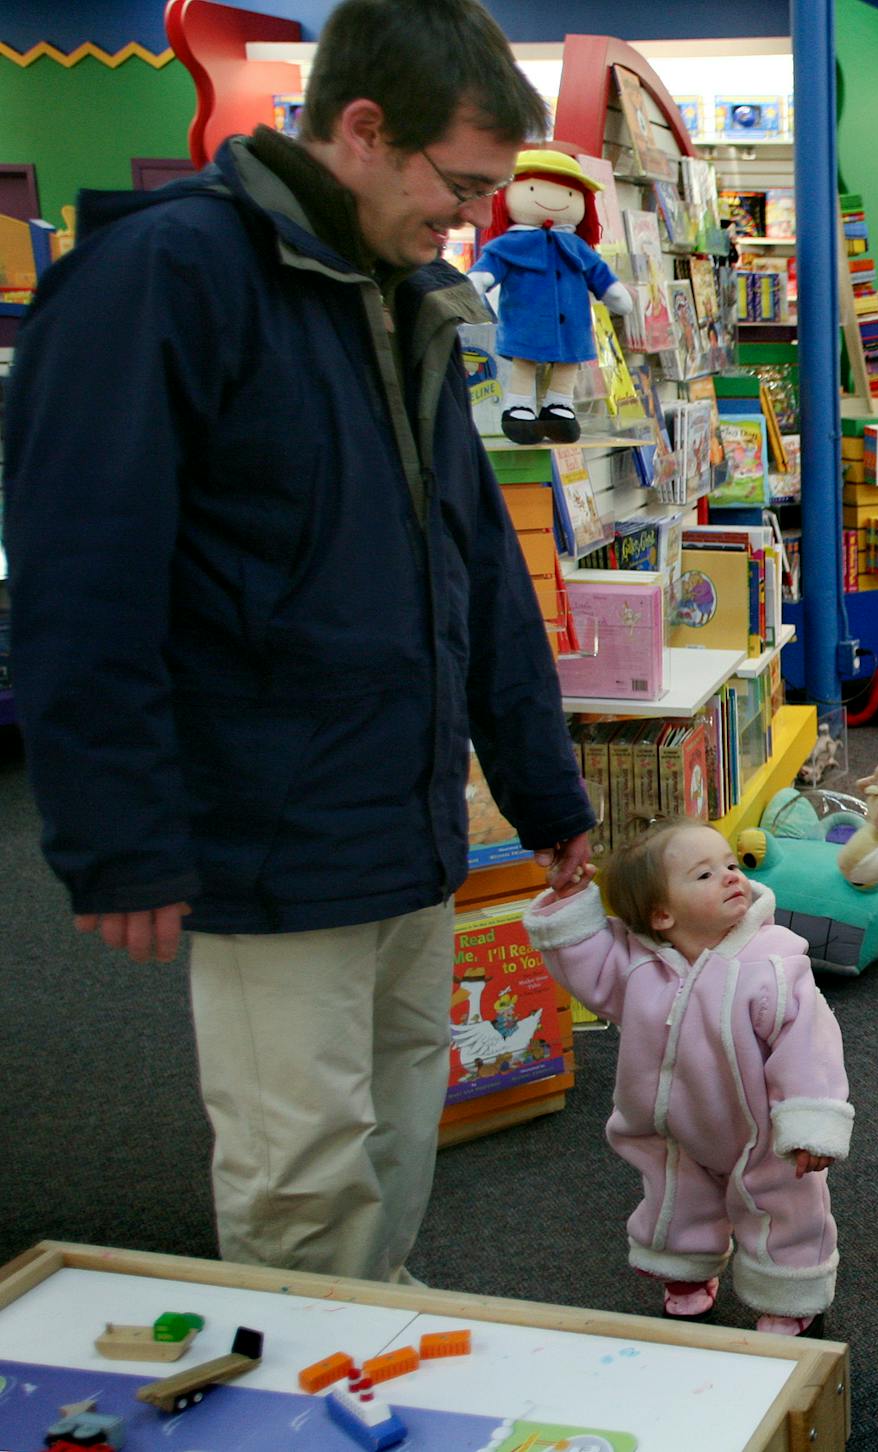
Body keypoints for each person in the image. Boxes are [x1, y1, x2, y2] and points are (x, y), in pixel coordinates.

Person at [2, 0, 594, 1283]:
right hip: (268, 822)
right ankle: (301, 1381)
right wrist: (117, 837)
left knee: (396, 1115)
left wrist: (543, 785)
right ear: (365, 130)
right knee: (300, 1161)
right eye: (464, 183)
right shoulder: (162, 277)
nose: (477, 219)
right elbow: (80, 579)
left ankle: (366, 1335)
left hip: (408, 809)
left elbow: (476, 562)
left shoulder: (403, 295)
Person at [523, 821, 851, 1334]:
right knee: (674, 1201)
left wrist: (811, 1123)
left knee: (783, 1209)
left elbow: (809, 1045)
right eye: (704, 874)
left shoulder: (772, 964)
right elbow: (585, 961)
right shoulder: (637, 967)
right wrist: (570, 902)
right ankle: (684, 1274)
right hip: (672, 1130)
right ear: (661, 914)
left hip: (761, 1135)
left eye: (731, 865)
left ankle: (789, 1297)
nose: (729, 877)